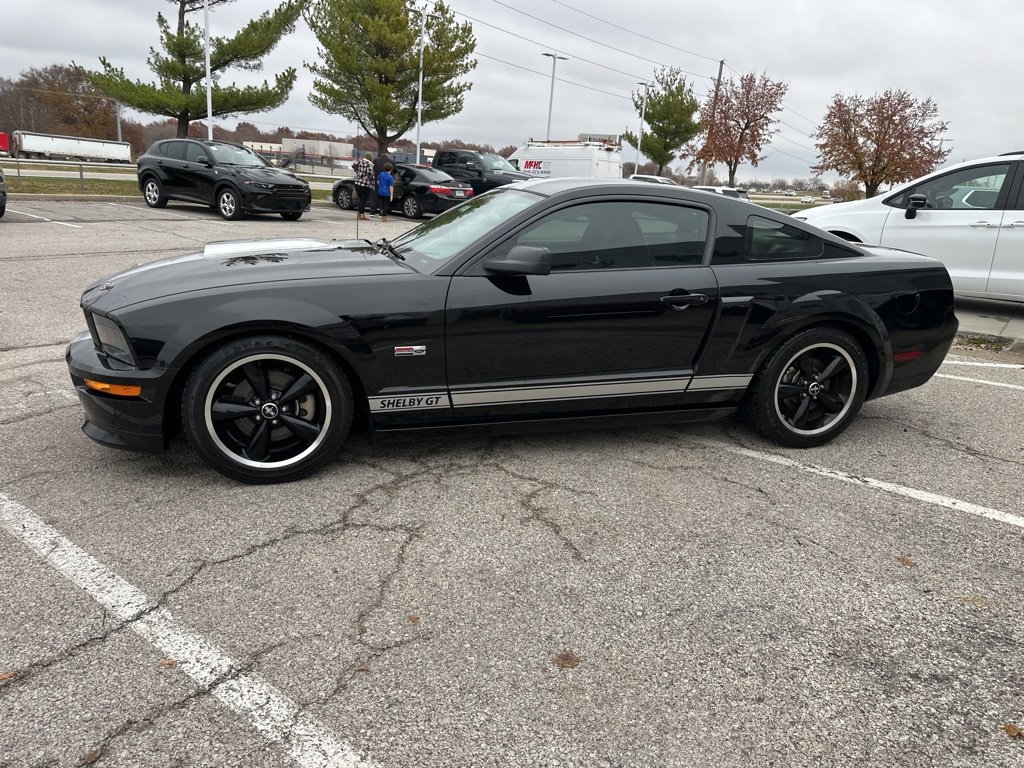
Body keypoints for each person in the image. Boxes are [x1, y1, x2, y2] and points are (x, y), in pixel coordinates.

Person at [353, 152, 375, 220]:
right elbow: (371, 173)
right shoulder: (369, 164)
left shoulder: (360, 162)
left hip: (357, 183)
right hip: (365, 184)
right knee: (363, 200)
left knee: (360, 200)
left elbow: (353, 165)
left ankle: (359, 214)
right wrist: (369, 177)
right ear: (370, 157)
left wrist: (359, 173)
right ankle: (361, 215)